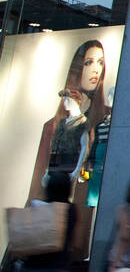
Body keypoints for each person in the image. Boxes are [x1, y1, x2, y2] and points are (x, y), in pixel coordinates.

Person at [29, 40, 112, 206]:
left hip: (80, 184)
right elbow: (37, 185)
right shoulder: (54, 125)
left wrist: (77, 170)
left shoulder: (98, 122)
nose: (95, 69)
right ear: (78, 67)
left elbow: (85, 150)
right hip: (56, 181)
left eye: (100, 62)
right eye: (88, 62)